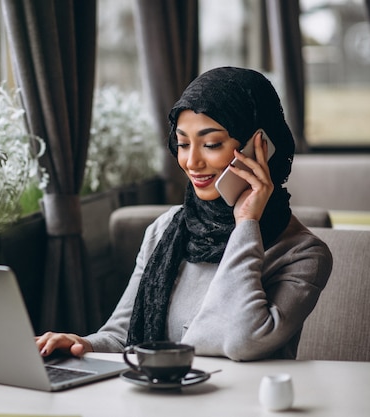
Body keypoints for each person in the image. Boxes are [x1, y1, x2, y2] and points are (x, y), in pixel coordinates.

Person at [36, 66, 333, 361]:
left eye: (211, 144)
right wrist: (81, 344)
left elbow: (240, 341)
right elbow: (122, 337)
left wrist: (246, 225)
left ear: (260, 149)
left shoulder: (304, 255)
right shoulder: (165, 230)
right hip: (158, 402)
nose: (191, 162)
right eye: (182, 143)